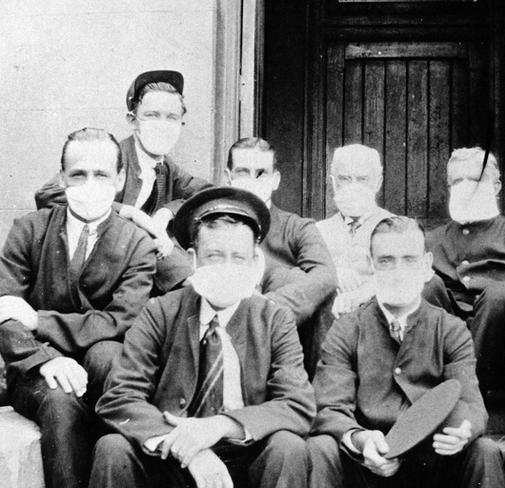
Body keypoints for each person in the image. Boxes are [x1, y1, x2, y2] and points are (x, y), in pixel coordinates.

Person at [90, 187, 315, 488]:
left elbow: (298, 405)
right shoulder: (160, 312)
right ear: (194, 260)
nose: (226, 269)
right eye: (214, 257)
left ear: (254, 264)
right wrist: (191, 450)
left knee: (289, 447)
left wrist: (220, 426)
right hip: (171, 455)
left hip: (243, 456)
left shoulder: (274, 319)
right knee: (112, 448)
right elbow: (120, 397)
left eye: (238, 258)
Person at [0, 128, 157, 488]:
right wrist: (45, 359)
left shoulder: (137, 245)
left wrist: (38, 319)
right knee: (60, 399)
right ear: (62, 178)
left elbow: (122, 320)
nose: (89, 184)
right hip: (39, 366)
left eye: (101, 174)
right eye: (78, 174)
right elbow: (4, 310)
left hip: (102, 364)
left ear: (120, 179)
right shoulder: (30, 229)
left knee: (113, 363)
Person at [308, 216, 505, 488]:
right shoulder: (346, 330)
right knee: (320, 448)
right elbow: (330, 407)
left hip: (430, 466)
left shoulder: (450, 329)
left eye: (409, 260)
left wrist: (462, 431)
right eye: (386, 260)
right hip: (366, 469)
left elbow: (472, 405)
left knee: (484, 451)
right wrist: (360, 439)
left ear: (426, 266)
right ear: (371, 265)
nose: (398, 272)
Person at [34, 70, 212, 293]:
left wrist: (166, 212)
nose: (162, 125)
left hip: (136, 271)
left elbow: (207, 193)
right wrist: (129, 212)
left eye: (171, 117)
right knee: (188, 282)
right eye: (152, 115)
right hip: (90, 273)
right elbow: (48, 194)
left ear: (181, 124)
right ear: (132, 120)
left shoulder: (166, 168)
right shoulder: (111, 155)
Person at [427, 147, 505, 396]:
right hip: (446, 339)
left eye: (475, 180)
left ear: (496, 187)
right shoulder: (433, 241)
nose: (465, 187)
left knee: (499, 295)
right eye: (457, 181)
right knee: (425, 285)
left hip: (496, 350)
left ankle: (470, 394)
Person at [225, 137, 337, 372]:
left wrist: (270, 307)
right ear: (229, 177)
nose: (252, 181)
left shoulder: (296, 227)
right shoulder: (213, 225)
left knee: (310, 288)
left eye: (261, 174)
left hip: (281, 329)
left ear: (275, 180)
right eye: (243, 172)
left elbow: (325, 275)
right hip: (225, 317)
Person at [316, 143, 452, 318]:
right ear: (334, 182)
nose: (353, 187)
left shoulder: (399, 227)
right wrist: (331, 275)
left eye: (362, 179)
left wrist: (362, 292)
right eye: (345, 179)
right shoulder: (319, 230)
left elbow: (419, 274)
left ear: (378, 183)